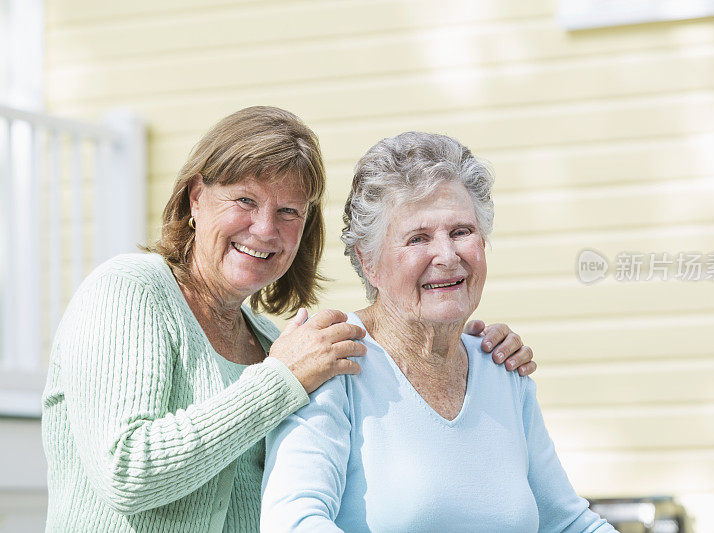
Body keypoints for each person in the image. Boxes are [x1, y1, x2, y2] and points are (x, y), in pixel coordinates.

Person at [41, 107, 536, 532]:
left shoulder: (269, 343)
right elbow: (127, 469)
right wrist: (279, 381)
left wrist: (465, 347)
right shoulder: (131, 289)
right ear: (196, 199)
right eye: (245, 200)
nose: (265, 229)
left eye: (288, 212)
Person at [260, 132, 616, 532]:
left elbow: (568, 523)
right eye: (418, 238)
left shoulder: (501, 367)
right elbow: (292, 522)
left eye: (461, 231)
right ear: (368, 260)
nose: (447, 256)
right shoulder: (330, 359)